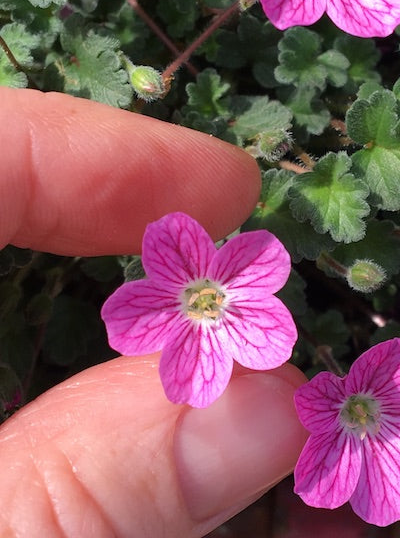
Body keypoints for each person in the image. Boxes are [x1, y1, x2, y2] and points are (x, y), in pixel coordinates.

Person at [0, 87, 308, 537]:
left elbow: (272, 331)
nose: (206, 302)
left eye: (206, 300)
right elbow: (137, 314)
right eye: (203, 300)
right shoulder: (172, 288)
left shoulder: (236, 270)